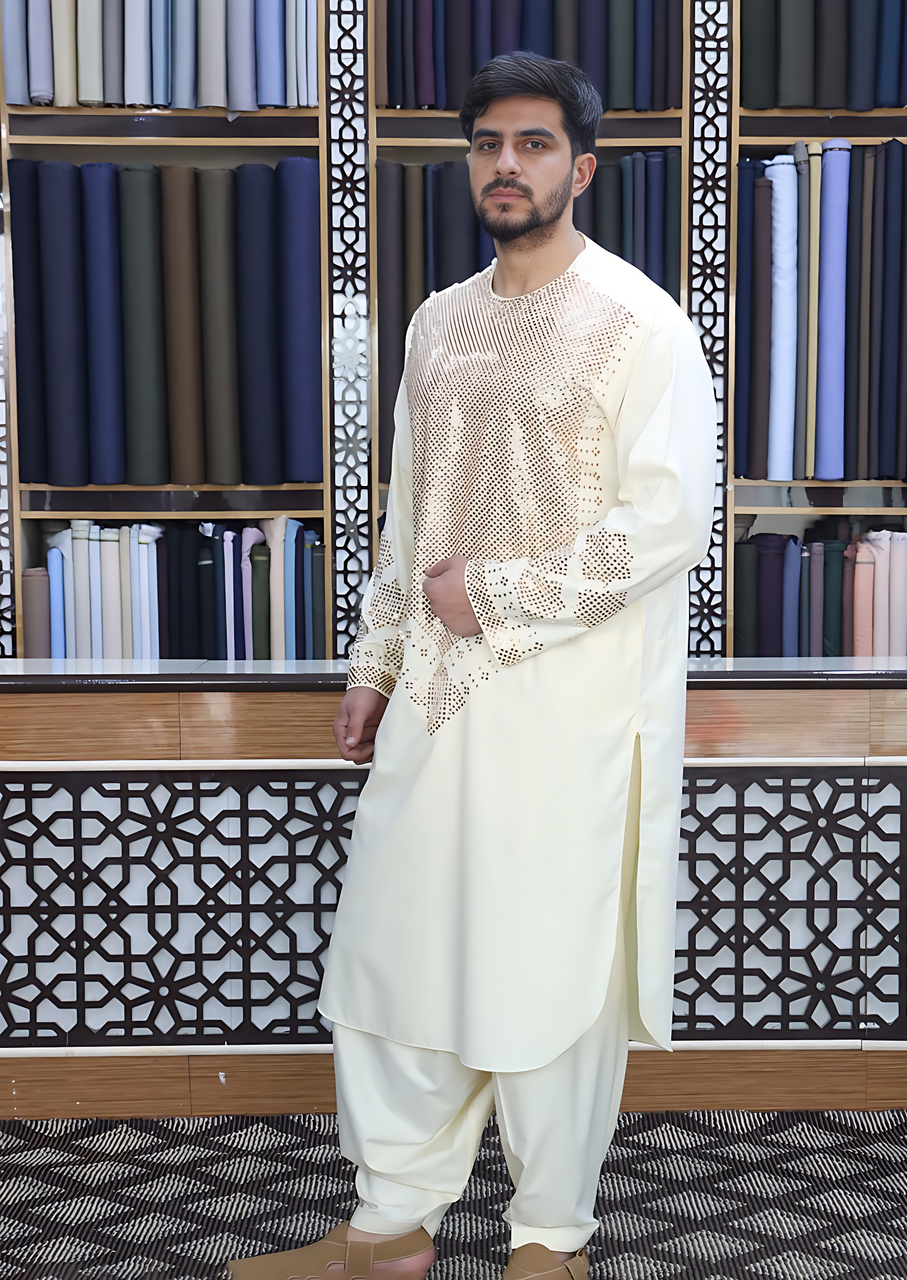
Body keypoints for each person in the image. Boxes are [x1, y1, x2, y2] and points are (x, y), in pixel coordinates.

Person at [229, 51, 715, 1280]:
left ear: (581, 166)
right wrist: (375, 663)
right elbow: (409, 517)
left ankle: (549, 1239)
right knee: (397, 950)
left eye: (535, 143)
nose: (508, 163)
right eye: (489, 142)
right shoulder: (437, 323)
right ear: (469, 161)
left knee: (546, 970)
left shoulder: (641, 323)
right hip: (435, 707)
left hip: (571, 714)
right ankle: (388, 1226)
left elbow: (663, 527)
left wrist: (492, 594)